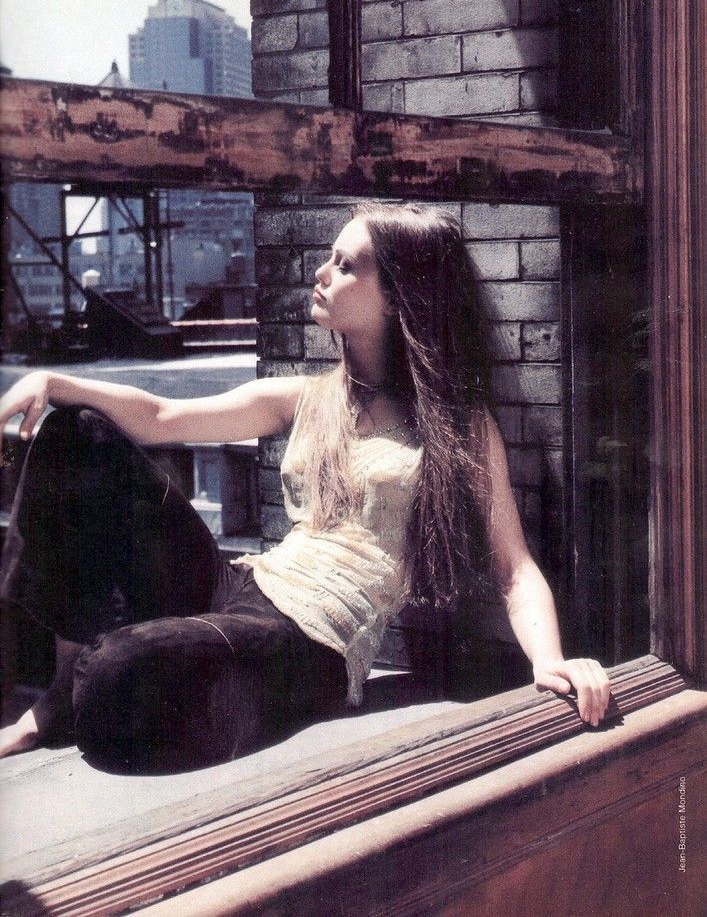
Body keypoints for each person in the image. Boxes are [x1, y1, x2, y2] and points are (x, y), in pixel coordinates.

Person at [0, 202, 610, 772]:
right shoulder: (307, 397)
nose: (322, 272)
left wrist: (549, 661)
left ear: (397, 298)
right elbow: (161, 417)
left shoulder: (458, 427)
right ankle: (53, 701)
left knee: (114, 675)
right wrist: (56, 381)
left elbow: (514, 568)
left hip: (307, 643)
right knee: (76, 433)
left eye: (346, 266)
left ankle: (90, 688)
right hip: (237, 584)